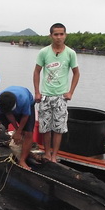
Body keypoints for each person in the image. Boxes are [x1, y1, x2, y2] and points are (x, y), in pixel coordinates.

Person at [33, 23, 80, 163]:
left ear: (65, 35)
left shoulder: (70, 53)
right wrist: (37, 92)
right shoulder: (44, 52)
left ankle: (54, 156)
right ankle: (47, 153)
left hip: (61, 96)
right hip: (46, 95)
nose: (59, 37)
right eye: (56, 34)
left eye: (61, 34)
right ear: (51, 36)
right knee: (45, 127)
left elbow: (76, 73)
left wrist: (70, 92)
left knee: (58, 128)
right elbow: (36, 71)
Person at [0, 86, 35, 170]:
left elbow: (25, 116)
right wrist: (16, 129)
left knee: (28, 133)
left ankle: (22, 160)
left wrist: (19, 131)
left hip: (27, 107)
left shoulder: (24, 99)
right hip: (7, 105)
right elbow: (8, 114)